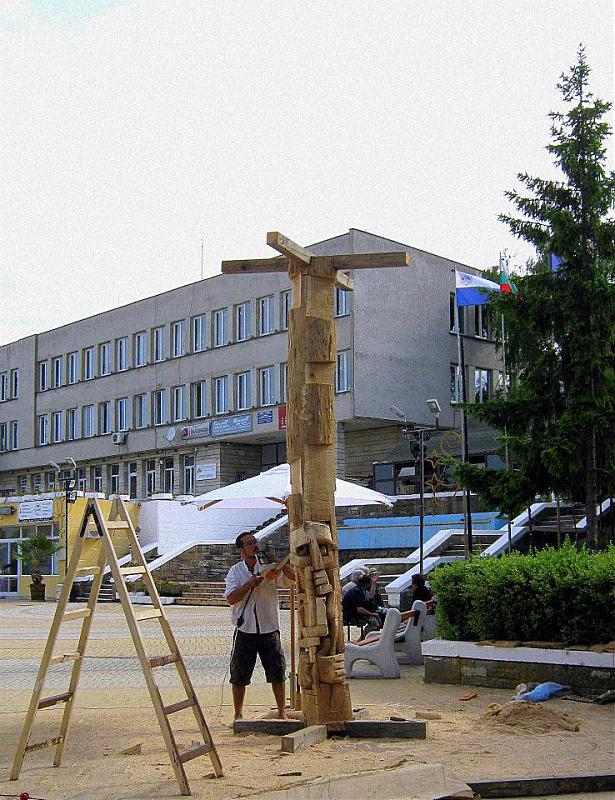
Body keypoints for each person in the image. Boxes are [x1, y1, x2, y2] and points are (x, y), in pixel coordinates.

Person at [224, 532, 295, 721]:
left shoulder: (268, 566)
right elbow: (231, 598)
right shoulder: (235, 571)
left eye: (255, 542)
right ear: (240, 550)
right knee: (239, 674)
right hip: (245, 629)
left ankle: (281, 712)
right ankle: (238, 714)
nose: (254, 546)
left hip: (269, 627)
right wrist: (249, 584)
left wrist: (278, 562)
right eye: (249, 543)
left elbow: (293, 579)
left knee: (277, 671)